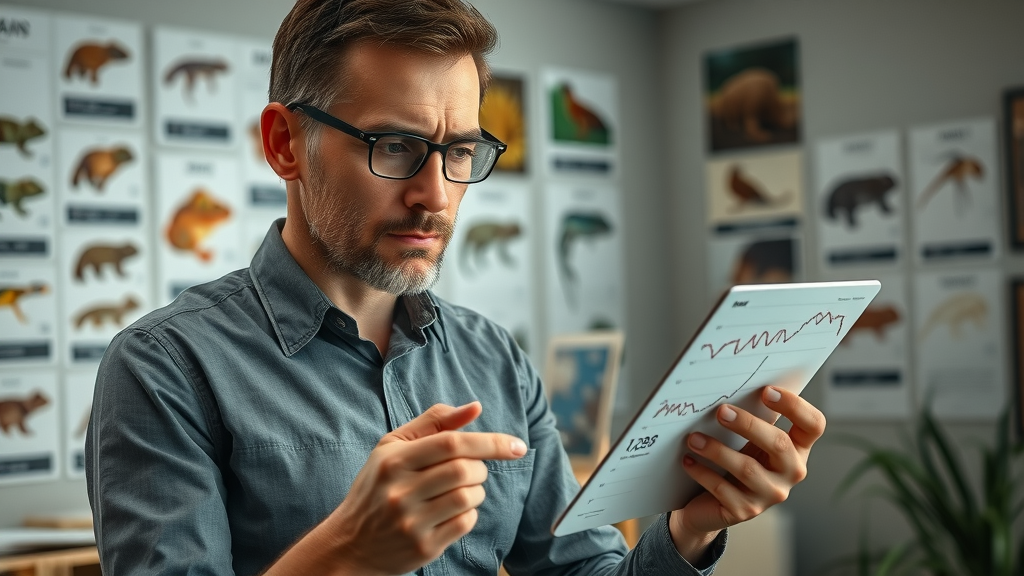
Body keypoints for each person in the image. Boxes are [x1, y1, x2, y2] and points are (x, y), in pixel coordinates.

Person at [86, 0, 826, 574]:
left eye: (461, 151)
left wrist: (690, 528)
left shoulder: (493, 359)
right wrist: (346, 553)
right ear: (286, 144)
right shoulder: (164, 367)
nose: (436, 196)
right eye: (395, 146)